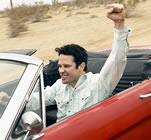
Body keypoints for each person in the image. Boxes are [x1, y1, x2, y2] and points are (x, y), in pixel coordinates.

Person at [0, 3, 131, 122]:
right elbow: (35, 101)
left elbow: (117, 59)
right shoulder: (59, 86)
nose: (61, 70)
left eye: (66, 66)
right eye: (60, 66)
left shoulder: (98, 84)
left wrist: (119, 25)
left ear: (81, 66)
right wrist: (9, 100)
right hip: (59, 137)